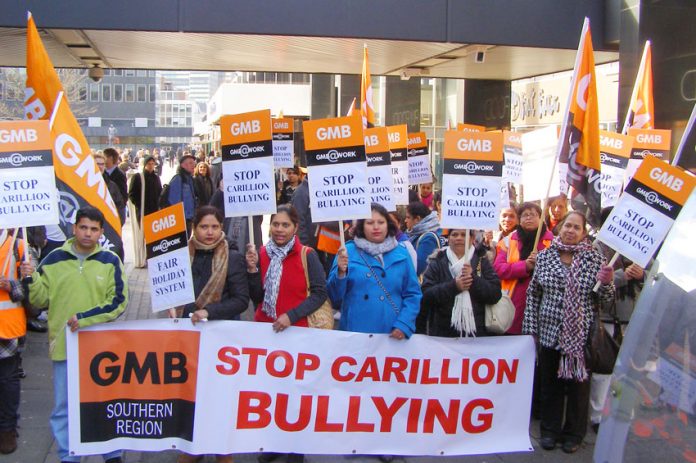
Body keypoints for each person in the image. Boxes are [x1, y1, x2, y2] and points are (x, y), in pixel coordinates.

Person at [25, 206, 128, 463]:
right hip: (64, 346)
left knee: (105, 402)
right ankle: (68, 454)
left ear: (101, 232)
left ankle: (111, 452)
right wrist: (30, 280)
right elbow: (38, 300)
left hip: (100, 349)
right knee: (64, 407)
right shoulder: (54, 259)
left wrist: (85, 318)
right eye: (83, 227)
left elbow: (118, 301)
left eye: (94, 229)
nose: (88, 233)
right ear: (74, 228)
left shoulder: (110, 261)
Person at [523, 211, 615, 454]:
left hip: (580, 337)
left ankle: (574, 434)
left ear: (584, 233)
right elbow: (533, 295)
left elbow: (604, 299)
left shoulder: (595, 259)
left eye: (577, 227)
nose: (571, 231)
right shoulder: (544, 257)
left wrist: (607, 282)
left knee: (578, 389)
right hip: (550, 333)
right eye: (567, 226)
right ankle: (550, 430)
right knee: (550, 385)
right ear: (559, 228)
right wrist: (531, 330)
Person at [245, 205, 327, 463]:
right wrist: (251, 271)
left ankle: (295, 448)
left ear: (295, 228)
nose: (279, 230)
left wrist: (291, 316)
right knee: (271, 393)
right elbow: (257, 298)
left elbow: (320, 293)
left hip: (297, 334)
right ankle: (274, 443)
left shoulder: (307, 254)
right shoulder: (260, 254)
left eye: (285, 225)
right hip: (266, 332)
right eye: (275, 225)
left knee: (295, 394)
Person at [173, 206, 248, 463]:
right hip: (189, 336)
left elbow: (241, 300)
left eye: (215, 227)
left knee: (220, 397)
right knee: (192, 393)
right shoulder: (182, 255)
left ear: (221, 228)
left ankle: (222, 450)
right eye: (204, 227)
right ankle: (193, 447)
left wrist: (209, 312)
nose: (209, 232)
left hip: (221, 338)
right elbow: (173, 290)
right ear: (194, 228)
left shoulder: (233, 257)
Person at [589, 206, 645, 433]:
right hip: (606, 317)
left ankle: (624, 410)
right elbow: (593, 283)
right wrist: (621, 276)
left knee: (628, 368)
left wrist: (641, 275)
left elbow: (653, 278)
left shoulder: (640, 250)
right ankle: (597, 415)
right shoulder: (596, 248)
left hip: (632, 316)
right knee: (603, 369)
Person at [328, 203, 421, 338]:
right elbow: (334, 297)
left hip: (392, 332)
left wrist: (404, 324)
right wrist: (341, 274)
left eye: (381, 222)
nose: (376, 227)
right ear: (362, 226)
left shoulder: (402, 253)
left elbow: (413, 294)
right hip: (355, 332)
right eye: (370, 222)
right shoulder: (347, 252)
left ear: (388, 225)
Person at [419, 229, 501, 337]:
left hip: (477, 333)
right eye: (455, 234)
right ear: (448, 238)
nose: (459, 238)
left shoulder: (482, 260)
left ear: (472, 238)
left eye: (463, 235)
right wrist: (454, 287)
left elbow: (495, 294)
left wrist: (473, 280)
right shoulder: (437, 261)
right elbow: (426, 295)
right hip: (443, 334)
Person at [493, 202, 553, 335]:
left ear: (541, 218)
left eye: (533, 214)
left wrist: (540, 263)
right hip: (513, 302)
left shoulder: (552, 242)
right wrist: (524, 266)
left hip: (543, 302)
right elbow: (498, 268)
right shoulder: (508, 241)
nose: (529, 218)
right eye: (525, 215)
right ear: (519, 219)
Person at [0, 230, 32, 454]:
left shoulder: (19, 247)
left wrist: (11, 286)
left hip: (7, 329)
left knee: (7, 382)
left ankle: (7, 430)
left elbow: (34, 292)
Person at [404, 201, 441, 276]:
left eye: (408, 217)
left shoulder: (428, 238)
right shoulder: (412, 234)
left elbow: (419, 267)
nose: (405, 221)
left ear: (417, 219)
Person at [167, 154, 198, 234]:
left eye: (193, 163)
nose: (193, 165)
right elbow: (173, 201)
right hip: (181, 220)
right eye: (190, 163)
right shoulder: (178, 179)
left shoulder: (189, 178)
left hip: (189, 217)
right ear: (183, 165)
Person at [103, 148, 128, 226]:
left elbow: (123, 195)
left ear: (110, 158)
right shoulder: (101, 173)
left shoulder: (120, 175)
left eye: (104, 157)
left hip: (115, 212)